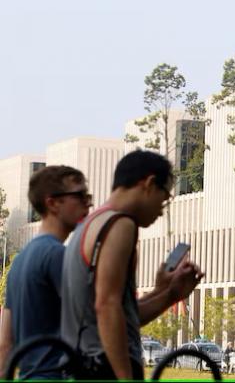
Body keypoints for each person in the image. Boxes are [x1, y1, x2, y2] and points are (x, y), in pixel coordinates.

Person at [60, 150, 204, 380]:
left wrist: (167, 294)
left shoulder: (89, 225)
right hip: (102, 367)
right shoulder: (120, 225)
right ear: (148, 184)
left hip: (79, 365)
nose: (161, 209)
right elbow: (106, 306)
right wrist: (125, 376)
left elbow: (120, 315)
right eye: (164, 198)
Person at [0, 166, 92, 379]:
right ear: (52, 203)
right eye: (79, 195)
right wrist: (166, 294)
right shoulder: (57, 256)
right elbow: (98, 317)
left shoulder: (19, 261)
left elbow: (5, 343)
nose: (87, 203)